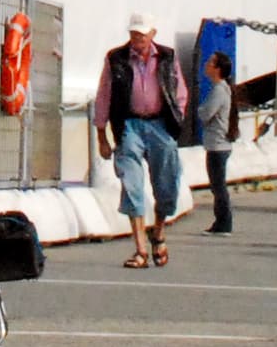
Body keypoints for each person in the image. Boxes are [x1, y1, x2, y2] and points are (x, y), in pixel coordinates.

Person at [97, 14, 194, 269]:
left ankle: (158, 232)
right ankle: (140, 249)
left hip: (160, 125)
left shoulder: (167, 57)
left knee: (166, 185)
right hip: (129, 124)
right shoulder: (115, 58)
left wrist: (177, 120)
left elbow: (179, 91)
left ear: (152, 33)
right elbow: (104, 94)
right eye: (133, 34)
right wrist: (102, 134)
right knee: (132, 185)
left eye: (141, 34)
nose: (136, 39)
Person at [196, 50, 238, 235]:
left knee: (218, 185)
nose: (206, 65)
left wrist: (199, 110)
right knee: (218, 184)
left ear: (218, 68)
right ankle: (221, 221)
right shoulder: (223, 88)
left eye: (210, 62)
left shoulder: (219, 90)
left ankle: (223, 222)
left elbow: (206, 114)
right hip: (219, 143)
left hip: (217, 144)